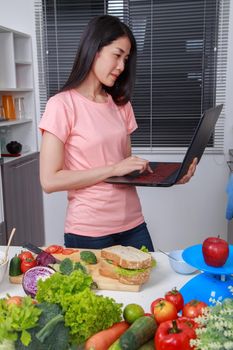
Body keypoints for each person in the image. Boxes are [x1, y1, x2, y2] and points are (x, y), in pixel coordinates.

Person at [39, 15, 197, 251]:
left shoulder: (121, 104)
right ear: (95, 50)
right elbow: (49, 180)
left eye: (126, 58)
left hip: (133, 224)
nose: (122, 66)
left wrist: (172, 177)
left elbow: (125, 168)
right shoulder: (61, 105)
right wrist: (112, 169)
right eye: (117, 55)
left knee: (151, 287)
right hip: (88, 230)